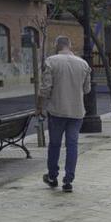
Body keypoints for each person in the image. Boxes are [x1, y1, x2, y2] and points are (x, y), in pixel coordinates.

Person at [37, 36, 91, 193]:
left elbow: (45, 89)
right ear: (70, 45)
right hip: (76, 111)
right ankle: (68, 181)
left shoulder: (51, 61)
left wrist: (39, 106)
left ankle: (52, 176)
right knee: (72, 145)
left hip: (57, 110)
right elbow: (87, 89)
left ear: (57, 46)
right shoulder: (83, 64)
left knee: (54, 144)